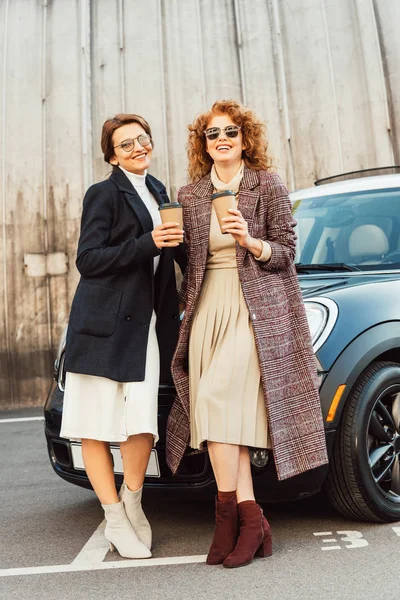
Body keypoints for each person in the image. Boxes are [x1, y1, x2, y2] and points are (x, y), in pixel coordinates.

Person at [166, 100, 328, 568]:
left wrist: (250, 241)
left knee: (217, 403)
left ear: (244, 138)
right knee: (219, 423)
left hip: (254, 306)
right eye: (212, 133)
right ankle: (249, 518)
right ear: (204, 143)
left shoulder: (267, 185)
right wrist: (172, 246)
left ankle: (230, 520)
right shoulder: (190, 194)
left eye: (230, 132)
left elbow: (287, 251)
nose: (222, 139)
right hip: (206, 309)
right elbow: (190, 264)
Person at [61, 113, 185, 559]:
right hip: (101, 328)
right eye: (126, 144)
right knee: (94, 428)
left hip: (146, 326)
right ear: (111, 154)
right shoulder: (103, 194)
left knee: (142, 426)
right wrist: (150, 242)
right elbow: (89, 260)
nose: (138, 148)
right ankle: (113, 516)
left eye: (143, 139)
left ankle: (133, 503)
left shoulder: (158, 191)